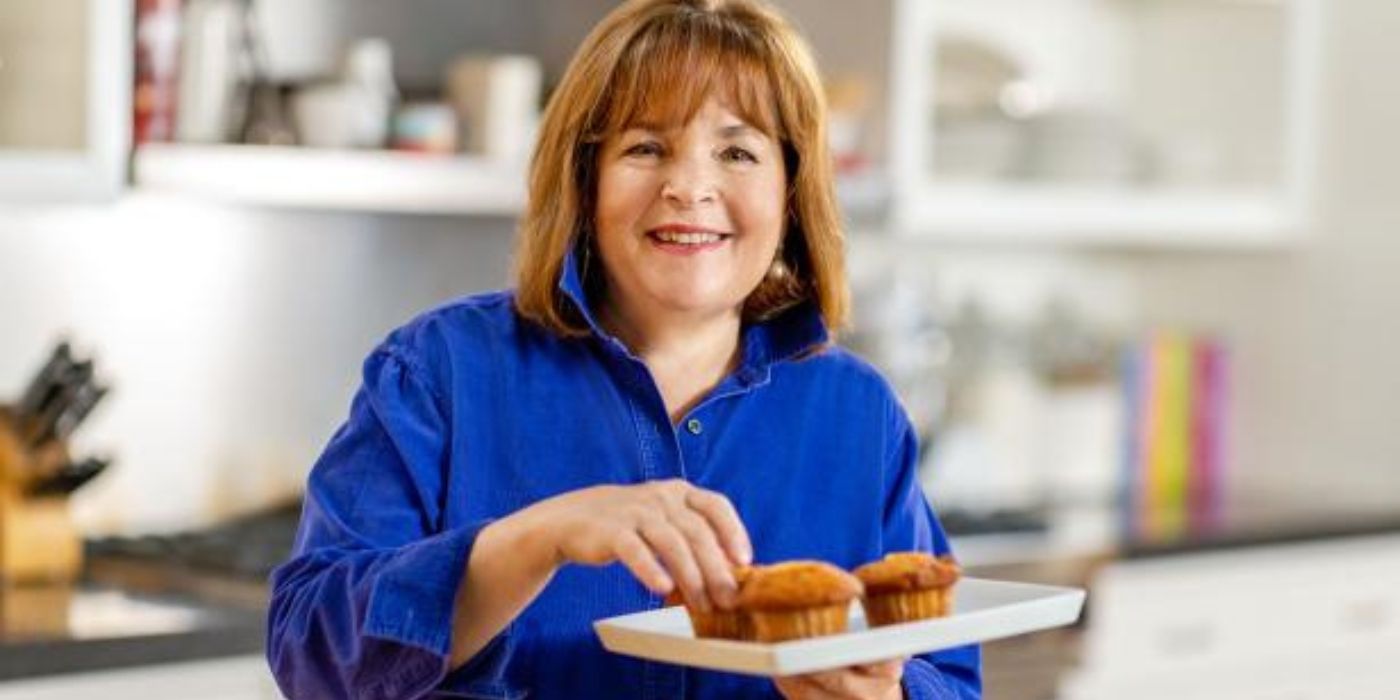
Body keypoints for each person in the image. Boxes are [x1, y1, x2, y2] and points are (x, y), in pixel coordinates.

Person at [266, 0, 982, 698]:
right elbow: (310, 653)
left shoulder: (857, 415)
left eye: (738, 151)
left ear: (791, 195)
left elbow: (945, 676)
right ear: (585, 179)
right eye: (646, 147)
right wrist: (536, 539)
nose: (690, 187)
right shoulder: (439, 374)